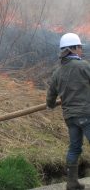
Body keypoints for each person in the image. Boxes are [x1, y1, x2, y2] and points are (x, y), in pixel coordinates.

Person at [46, 33, 90, 190]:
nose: (81, 50)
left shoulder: (58, 72)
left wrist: (50, 105)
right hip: (86, 114)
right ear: (73, 49)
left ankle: (71, 183)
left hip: (70, 117)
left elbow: (51, 96)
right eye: (79, 47)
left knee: (74, 148)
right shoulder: (84, 66)